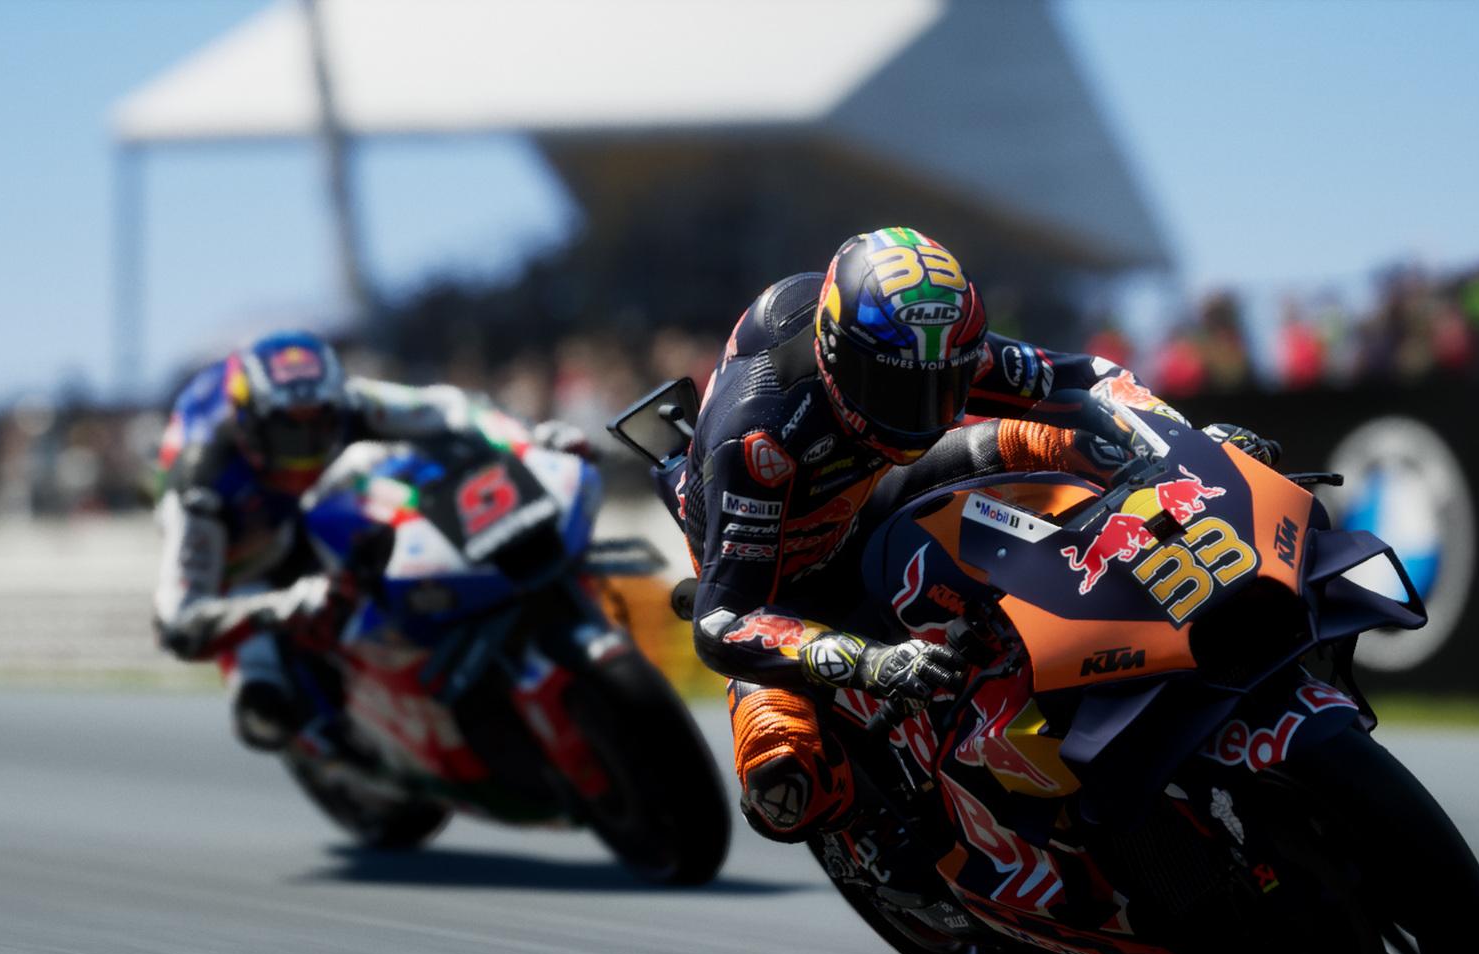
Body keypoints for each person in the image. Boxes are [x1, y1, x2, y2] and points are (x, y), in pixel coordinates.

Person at [672, 227, 1276, 841]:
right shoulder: (759, 439)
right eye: (894, 388)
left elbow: (1090, 375)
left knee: (1068, 448)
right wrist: (872, 662)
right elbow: (724, 620)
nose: (920, 410)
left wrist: (1186, 442)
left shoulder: (923, 343)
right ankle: (899, 843)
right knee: (787, 785)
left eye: (942, 386)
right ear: (836, 355)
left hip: (876, 485)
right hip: (779, 565)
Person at [152, 330, 587, 753]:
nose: (308, 448)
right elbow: (176, 623)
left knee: (416, 455)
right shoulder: (200, 487)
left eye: (321, 425)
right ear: (251, 427)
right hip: (251, 540)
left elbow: (450, 408)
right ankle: (274, 682)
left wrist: (530, 438)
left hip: (336, 493)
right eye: (290, 433)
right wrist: (284, 605)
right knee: (264, 706)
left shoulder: (348, 400)